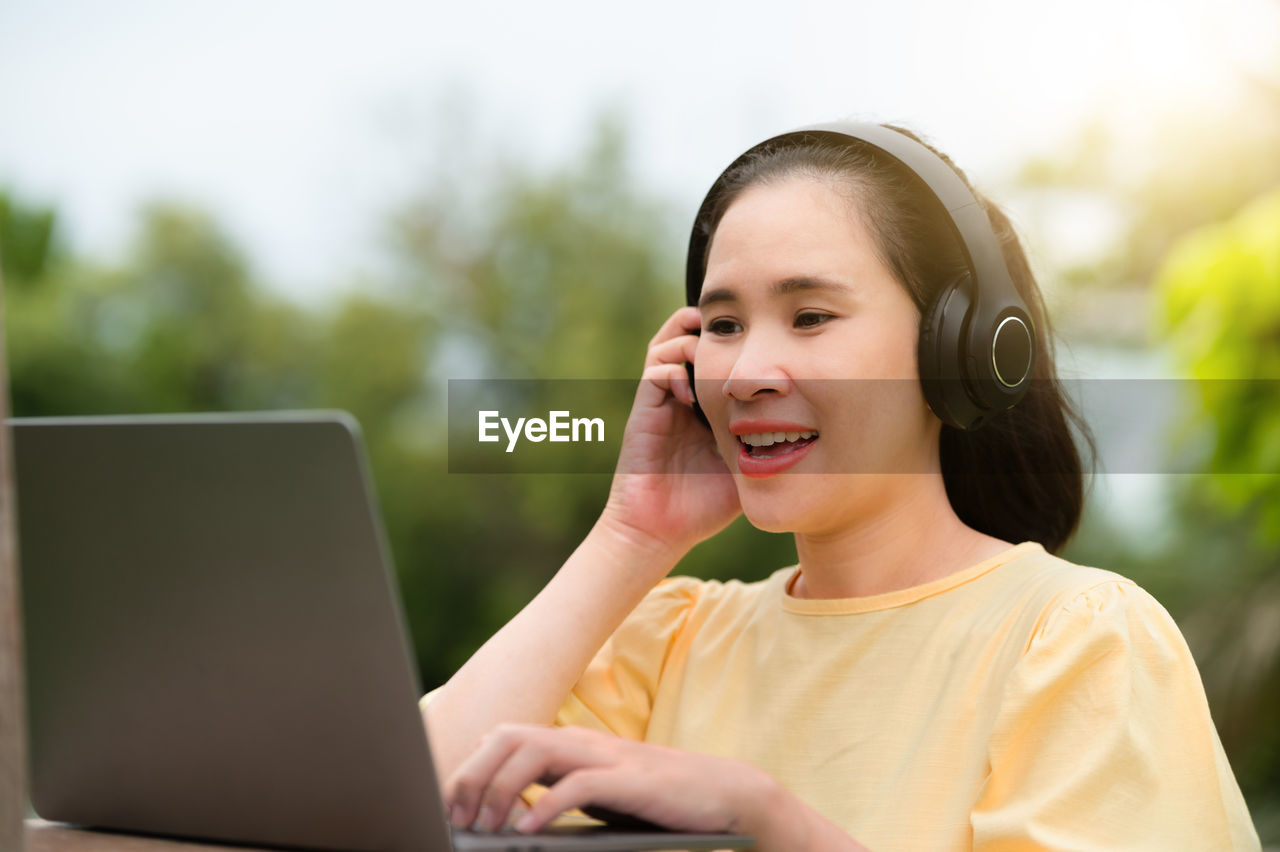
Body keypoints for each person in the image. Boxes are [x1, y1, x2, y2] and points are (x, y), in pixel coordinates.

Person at [421, 123, 1260, 850]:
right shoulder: (669, 641)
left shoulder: (1078, 642)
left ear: (954, 346)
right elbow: (386, 814)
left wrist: (769, 822)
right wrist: (632, 537)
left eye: (811, 316)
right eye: (721, 326)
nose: (746, 372)